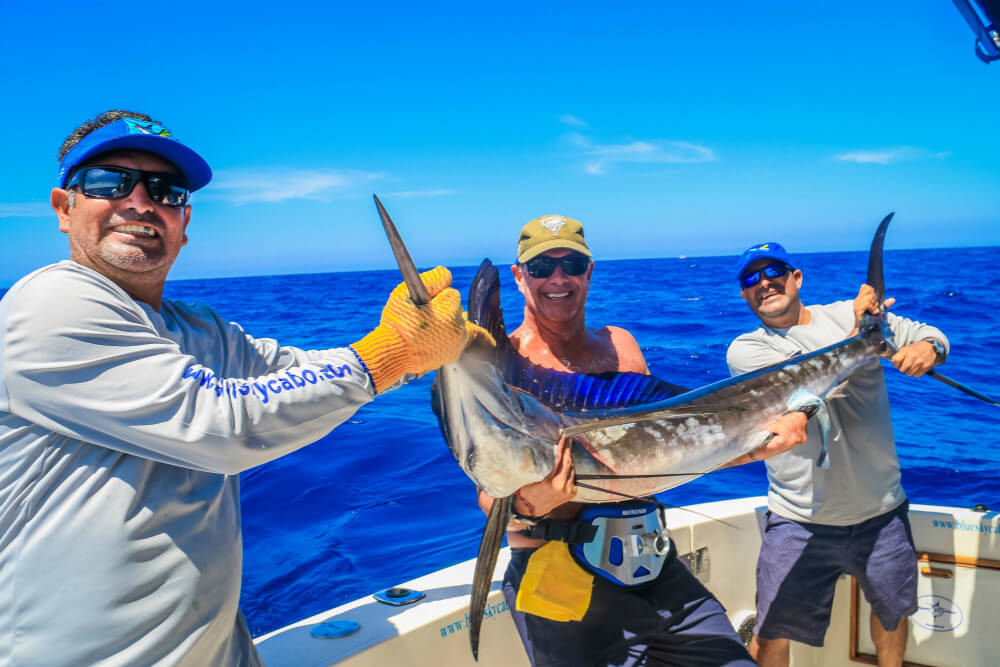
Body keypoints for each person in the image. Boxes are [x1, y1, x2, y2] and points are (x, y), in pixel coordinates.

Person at [0, 110, 478, 665]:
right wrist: (393, 353)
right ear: (64, 207)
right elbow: (220, 425)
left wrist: (453, 348)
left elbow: (297, 370)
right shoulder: (50, 305)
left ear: (183, 221)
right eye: (110, 182)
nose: (138, 201)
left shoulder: (197, 329)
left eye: (164, 190)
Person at [478, 215, 807, 667]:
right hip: (561, 581)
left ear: (588, 272)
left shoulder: (620, 345)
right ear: (518, 277)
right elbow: (490, 498)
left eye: (571, 263)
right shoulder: (501, 362)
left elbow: (661, 451)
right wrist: (536, 500)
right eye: (540, 267)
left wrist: (755, 447)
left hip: (656, 566)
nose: (557, 278)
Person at [726, 241, 950, 667]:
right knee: (771, 632)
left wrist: (929, 349)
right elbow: (807, 381)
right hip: (798, 520)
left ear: (797, 278)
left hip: (882, 512)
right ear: (744, 295)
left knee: (891, 618)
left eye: (774, 271)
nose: (764, 282)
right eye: (751, 279)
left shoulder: (850, 313)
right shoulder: (747, 350)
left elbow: (930, 334)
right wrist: (863, 333)